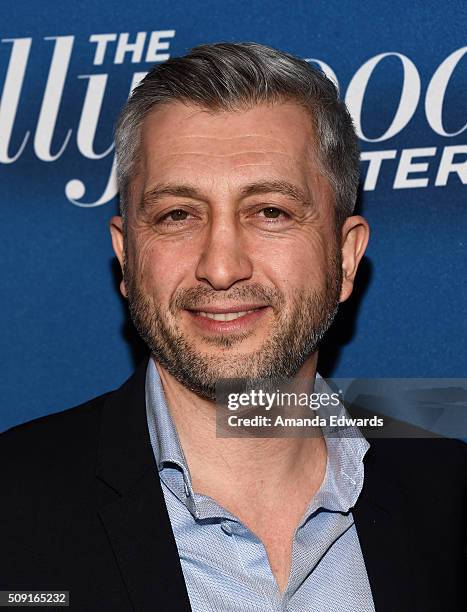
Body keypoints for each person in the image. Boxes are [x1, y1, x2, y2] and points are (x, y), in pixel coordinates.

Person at [0, 42, 465, 612]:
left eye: (270, 211)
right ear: (127, 257)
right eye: (178, 215)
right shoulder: (12, 512)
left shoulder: (449, 495)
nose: (221, 267)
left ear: (345, 258)